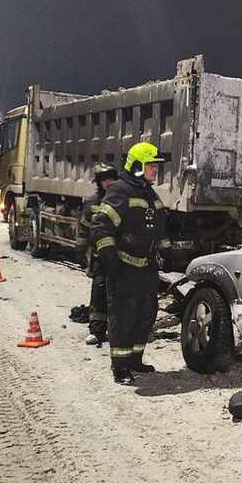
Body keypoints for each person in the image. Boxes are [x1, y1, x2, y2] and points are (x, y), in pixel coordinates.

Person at [90, 142, 171, 385]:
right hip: (125, 268)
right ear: (137, 166)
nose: (155, 170)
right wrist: (111, 261)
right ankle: (120, 367)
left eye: (156, 166)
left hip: (146, 268)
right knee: (124, 317)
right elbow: (101, 226)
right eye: (151, 165)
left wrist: (167, 254)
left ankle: (135, 359)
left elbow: (158, 228)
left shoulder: (147, 191)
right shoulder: (120, 189)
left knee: (146, 314)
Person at [77, 162, 119, 346]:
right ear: (99, 182)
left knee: (119, 294)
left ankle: (117, 329)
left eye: (111, 178)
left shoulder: (121, 201)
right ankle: (96, 330)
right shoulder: (93, 204)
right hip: (99, 258)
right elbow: (84, 229)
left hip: (119, 258)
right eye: (104, 179)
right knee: (99, 292)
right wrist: (80, 250)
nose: (108, 182)